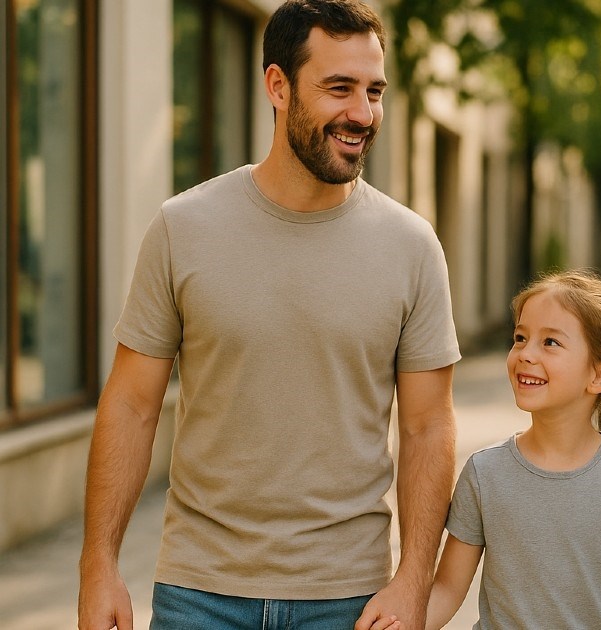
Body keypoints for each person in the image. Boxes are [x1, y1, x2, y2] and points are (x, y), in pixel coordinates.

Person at [77, 2, 460, 629]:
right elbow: (131, 404)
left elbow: (426, 428)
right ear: (277, 86)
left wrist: (413, 583)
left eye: (373, 92)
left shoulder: (412, 247)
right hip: (198, 592)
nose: (362, 115)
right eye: (339, 89)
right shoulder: (183, 228)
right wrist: (98, 568)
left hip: (350, 601)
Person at [423, 269, 601, 629]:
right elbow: (446, 589)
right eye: (520, 338)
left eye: (550, 342)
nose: (525, 354)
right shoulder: (485, 473)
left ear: (600, 375)